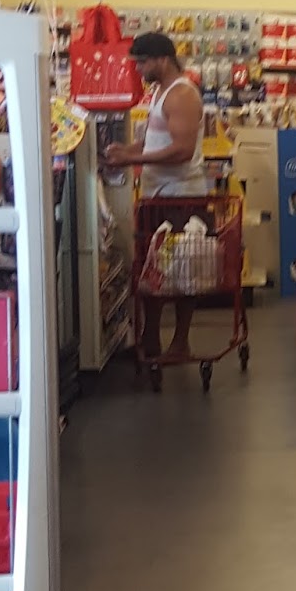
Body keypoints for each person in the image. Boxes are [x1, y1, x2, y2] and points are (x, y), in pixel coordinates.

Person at [105, 32, 209, 363]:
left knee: (184, 273)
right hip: (158, 196)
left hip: (181, 197)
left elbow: (182, 150)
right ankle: (150, 338)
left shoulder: (182, 95)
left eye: (142, 62)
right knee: (153, 270)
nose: (138, 69)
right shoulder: (160, 93)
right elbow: (156, 142)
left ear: (162, 60)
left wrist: (133, 160)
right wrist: (127, 151)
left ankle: (180, 342)